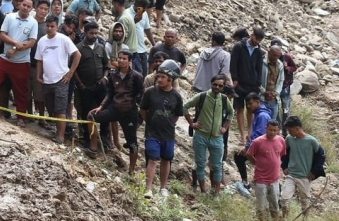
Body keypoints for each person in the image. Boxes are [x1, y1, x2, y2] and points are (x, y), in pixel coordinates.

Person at [87, 49, 144, 168]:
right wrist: (101, 106)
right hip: (114, 108)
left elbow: (141, 94)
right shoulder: (113, 75)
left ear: (129, 61)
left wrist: (138, 111)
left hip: (129, 112)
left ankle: (132, 170)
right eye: (120, 58)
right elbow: (110, 94)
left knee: (132, 142)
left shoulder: (137, 76)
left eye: (124, 59)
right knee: (91, 116)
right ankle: (93, 147)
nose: (121, 61)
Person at [0, 0, 38, 127]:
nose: (26, 8)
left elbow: (31, 42)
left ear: (32, 8)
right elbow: (2, 35)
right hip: (5, 57)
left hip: (21, 62)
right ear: (19, 4)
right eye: (24, 5)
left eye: (29, 6)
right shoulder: (9, 17)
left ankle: (21, 117)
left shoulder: (33, 22)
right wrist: (15, 43)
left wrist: (15, 49)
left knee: (21, 91)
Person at [140, 60, 184, 199]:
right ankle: (148, 189)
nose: (159, 79)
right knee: (152, 160)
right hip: (152, 133)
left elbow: (177, 115)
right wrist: (150, 121)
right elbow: (143, 110)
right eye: (158, 76)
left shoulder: (176, 96)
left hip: (168, 134)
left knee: (166, 160)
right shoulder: (150, 92)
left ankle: (163, 188)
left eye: (162, 77)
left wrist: (168, 123)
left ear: (170, 79)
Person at [183, 74, 233, 194]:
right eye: (215, 84)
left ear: (223, 87)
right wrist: (192, 123)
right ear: (211, 84)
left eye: (220, 85)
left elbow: (231, 113)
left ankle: (215, 193)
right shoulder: (202, 96)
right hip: (201, 136)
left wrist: (225, 127)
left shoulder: (224, 99)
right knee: (200, 164)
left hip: (217, 138)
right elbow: (185, 107)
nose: (217, 87)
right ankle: (203, 191)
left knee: (217, 166)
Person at [34, 13, 79, 143]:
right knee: (51, 108)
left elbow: (77, 55)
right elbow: (39, 60)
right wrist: (38, 75)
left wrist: (70, 73)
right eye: (47, 26)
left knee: (60, 108)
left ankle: (61, 136)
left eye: (52, 26)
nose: (49, 28)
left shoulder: (63, 39)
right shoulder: (42, 41)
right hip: (47, 79)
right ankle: (57, 131)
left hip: (61, 79)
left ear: (57, 26)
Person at [73, 20, 110, 149]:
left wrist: (105, 77)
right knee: (85, 113)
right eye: (91, 33)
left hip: (100, 86)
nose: (94, 36)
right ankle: (87, 138)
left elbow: (107, 65)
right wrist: (80, 84)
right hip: (85, 87)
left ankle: (104, 137)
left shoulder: (101, 47)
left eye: (96, 33)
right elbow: (74, 69)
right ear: (85, 33)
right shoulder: (78, 48)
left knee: (105, 111)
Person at [279, 116, 323, 218]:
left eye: (290, 130)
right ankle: (284, 218)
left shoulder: (311, 140)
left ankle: (305, 218)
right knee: (284, 199)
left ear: (297, 129)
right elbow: (285, 153)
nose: (289, 132)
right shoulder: (289, 139)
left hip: (305, 177)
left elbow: (321, 156)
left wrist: (314, 172)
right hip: (291, 175)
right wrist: (284, 166)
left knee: (305, 202)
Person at [231, 28, 266, 143]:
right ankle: (242, 134)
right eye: (256, 38)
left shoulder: (258, 51)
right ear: (252, 35)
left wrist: (258, 84)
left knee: (251, 109)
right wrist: (235, 79)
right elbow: (233, 64)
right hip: (240, 83)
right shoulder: (239, 46)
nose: (257, 41)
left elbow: (259, 69)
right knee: (239, 108)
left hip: (252, 85)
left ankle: (250, 134)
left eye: (259, 40)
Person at [247, 120, 285, 221]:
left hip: (275, 179)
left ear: (278, 130)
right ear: (265, 128)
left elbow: (280, 155)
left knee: (275, 204)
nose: (272, 132)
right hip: (261, 179)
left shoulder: (281, 141)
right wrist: (257, 163)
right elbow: (249, 154)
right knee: (261, 205)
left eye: (274, 130)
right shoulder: (258, 142)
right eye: (270, 130)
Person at [235, 93, 272, 191]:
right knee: (239, 157)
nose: (248, 106)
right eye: (247, 104)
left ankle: (247, 182)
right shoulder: (258, 113)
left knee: (240, 157)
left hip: (262, 147)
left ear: (257, 102)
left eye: (250, 103)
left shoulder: (262, 115)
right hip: (259, 145)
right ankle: (247, 182)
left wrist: (247, 147)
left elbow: (259, 135)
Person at [127, 0, 154, 78]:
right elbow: (124, 31)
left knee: (144, 74)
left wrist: (154, 44)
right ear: (136, 5)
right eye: (143, 8)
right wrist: (134, 21)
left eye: (146, 8)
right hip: (133, 50)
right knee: (138, 75)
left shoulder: (144, 13)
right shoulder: (127, 13)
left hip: (143, 49)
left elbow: (147, 29)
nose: (145, 10)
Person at [275, 40, 297, 125]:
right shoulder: (270, 57)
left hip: (285, 86)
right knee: (275, 108)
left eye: (278, 49)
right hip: (275, 86)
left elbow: (294, 67)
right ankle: (277, 126)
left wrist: (287, 68)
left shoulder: (287, 57)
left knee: (286, 109)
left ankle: (285, 128)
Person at [261, 46, 285, 120]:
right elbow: (256, 79)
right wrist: (263, 91)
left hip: (274, 98)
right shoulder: (262, 62)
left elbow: (281, 80)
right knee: (262, 120)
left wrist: (276, 92)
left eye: (278, 56)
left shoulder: (280, 65)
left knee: (272, 122)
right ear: (269, 53)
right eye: (274, 55)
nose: (276, 57)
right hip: (261, 98)